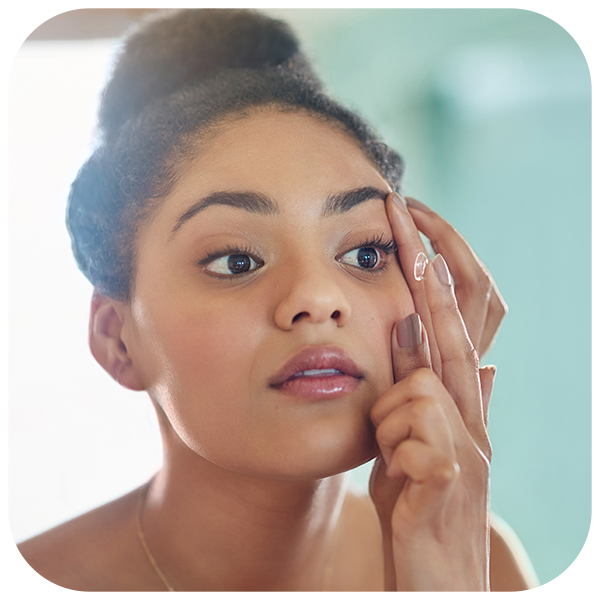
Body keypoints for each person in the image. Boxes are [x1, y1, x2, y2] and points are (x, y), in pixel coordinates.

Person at [17, 9, 537, 591]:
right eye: (236, 261)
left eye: (366, 255)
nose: (318, 298)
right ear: (117, 338)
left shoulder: (482, 561)